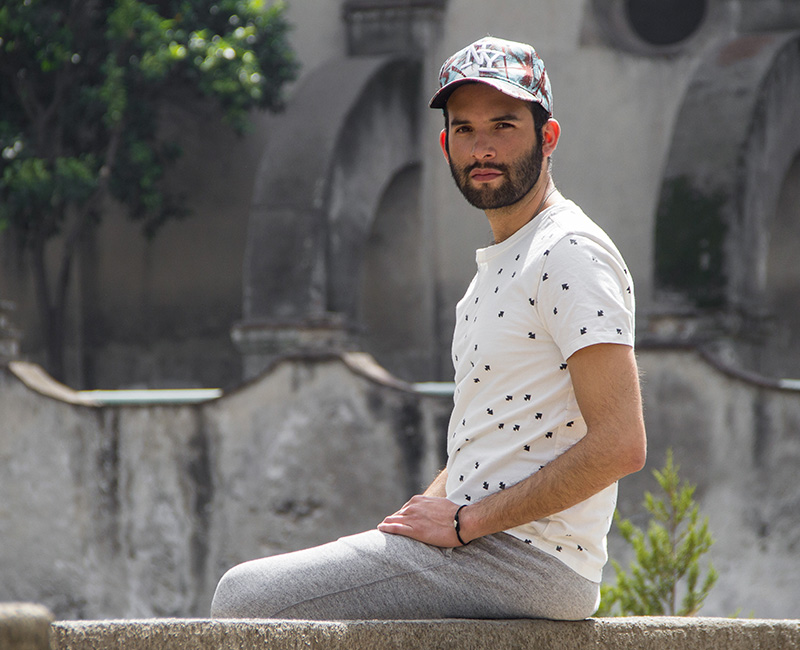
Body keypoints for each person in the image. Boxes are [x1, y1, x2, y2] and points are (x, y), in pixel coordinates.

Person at [210, 36, 647, 621]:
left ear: (548, 137)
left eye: (503, 125)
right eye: (464, 129)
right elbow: (489, 443)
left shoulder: (568, 252)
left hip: (527, 559)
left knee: (244, 598)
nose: (482, 147)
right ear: (445, 146)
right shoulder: (497, 269)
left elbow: (621, 443)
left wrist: (466, 522)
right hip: (483, 546)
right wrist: (414, 520)